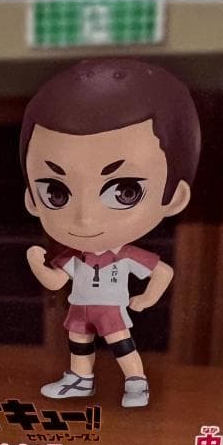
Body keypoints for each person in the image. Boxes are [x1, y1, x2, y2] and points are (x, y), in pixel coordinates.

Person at [20, 57, 201, 408]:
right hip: (80, 308)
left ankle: (136, 382)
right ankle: (80, 379)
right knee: (78, 343)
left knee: (121, 344)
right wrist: (35, 262)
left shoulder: (125, 255)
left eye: (125, 191)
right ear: (32, 199)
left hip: (111, 310)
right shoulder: (73, 255)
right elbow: (55, 282)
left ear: (174, 198)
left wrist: (146, 299)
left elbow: (163, 272)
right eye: (56, 193)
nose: (86, 220)